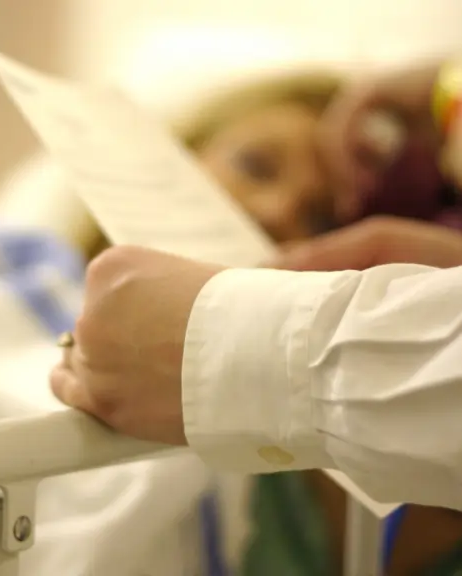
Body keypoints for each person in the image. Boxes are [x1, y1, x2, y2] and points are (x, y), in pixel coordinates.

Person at [50, 57, 462, 574]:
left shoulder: (313, 457)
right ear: (175, 156)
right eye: (256, 166)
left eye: (321, 218)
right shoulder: (23, 271)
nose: (277, 212)